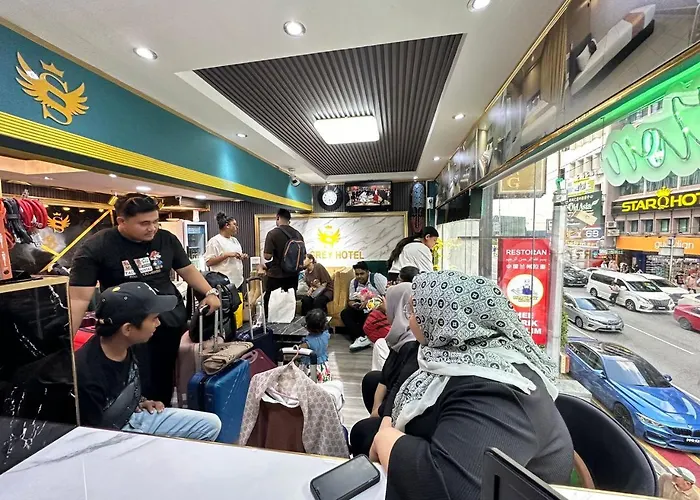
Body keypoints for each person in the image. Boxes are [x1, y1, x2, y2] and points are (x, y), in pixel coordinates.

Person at [368, 271, 573, 499]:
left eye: (415, 311)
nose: (410, 319)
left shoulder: (495, 391)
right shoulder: (454, 357)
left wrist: (385, 438)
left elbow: (449, 489)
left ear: (444, 318)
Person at [69, 194, 221, 406]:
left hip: (167, 320)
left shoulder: (166, 239)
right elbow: (78, 298)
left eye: (156, 221)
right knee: (134, 381)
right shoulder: (97, 247)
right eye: (144, 223)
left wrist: (210, 292)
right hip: (127, 327)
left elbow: (187, 270)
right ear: (121, 221)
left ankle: (161, 412)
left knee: (163, 377)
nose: (152, 228)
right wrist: (66, 343)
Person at [76, 282, 221, 441]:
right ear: (127, 329)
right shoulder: (87, 375)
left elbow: (119, 389)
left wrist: (138, 402)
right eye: (153, 318)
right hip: (110, 439)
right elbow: (94, 440)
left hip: (133, 417)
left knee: (210, 424)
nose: (158, 323)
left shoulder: (128, 343)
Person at [351, 278, 420, 457]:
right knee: (372, 379)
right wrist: (375, 410)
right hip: (393, 398)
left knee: (360, 431)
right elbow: (385, 377)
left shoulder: (412, 344)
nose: (383, 303)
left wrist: (380, 415)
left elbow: (399, 389)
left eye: (388, 299)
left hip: (403, 408)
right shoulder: (398, 336)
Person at [259, 208, 305, 318]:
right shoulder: (298, 234)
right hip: (293, 275)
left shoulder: (272, 233)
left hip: (276, 275)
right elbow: (303, 256)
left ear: (278, 217)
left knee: (270, 302)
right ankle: (288, 325)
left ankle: (270, 325)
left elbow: (267, 256)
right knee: (289, 303)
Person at [340, 261, 388, 352]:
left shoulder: (377, 278)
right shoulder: (354, 282)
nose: (359, 277)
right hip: (361, 307)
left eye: (362, 274)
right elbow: (350, 300)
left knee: (370, 314)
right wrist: (355, 305)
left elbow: (386, 296)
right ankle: (361, 337)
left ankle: (364, 338)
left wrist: (369, 303)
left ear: (367, 272)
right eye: (357, 274)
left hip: (377, 306)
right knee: (345, 313)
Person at [204, 212, 248, 291]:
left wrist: (241, 256)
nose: (237, 227)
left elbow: (236, 255)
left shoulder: (234, 240)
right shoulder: (214, 241)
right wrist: (226, 255)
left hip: (238, 281)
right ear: (227, 225)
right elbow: (209, 262)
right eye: (234, 224)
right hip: (223, 283)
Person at [299, 308, 332, 383]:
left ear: (308, 327)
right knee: (322, 384)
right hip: (322, 366)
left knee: (308, 385)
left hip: (310, 368)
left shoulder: (307, 343)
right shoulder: (326, 335)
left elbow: (298, 353)